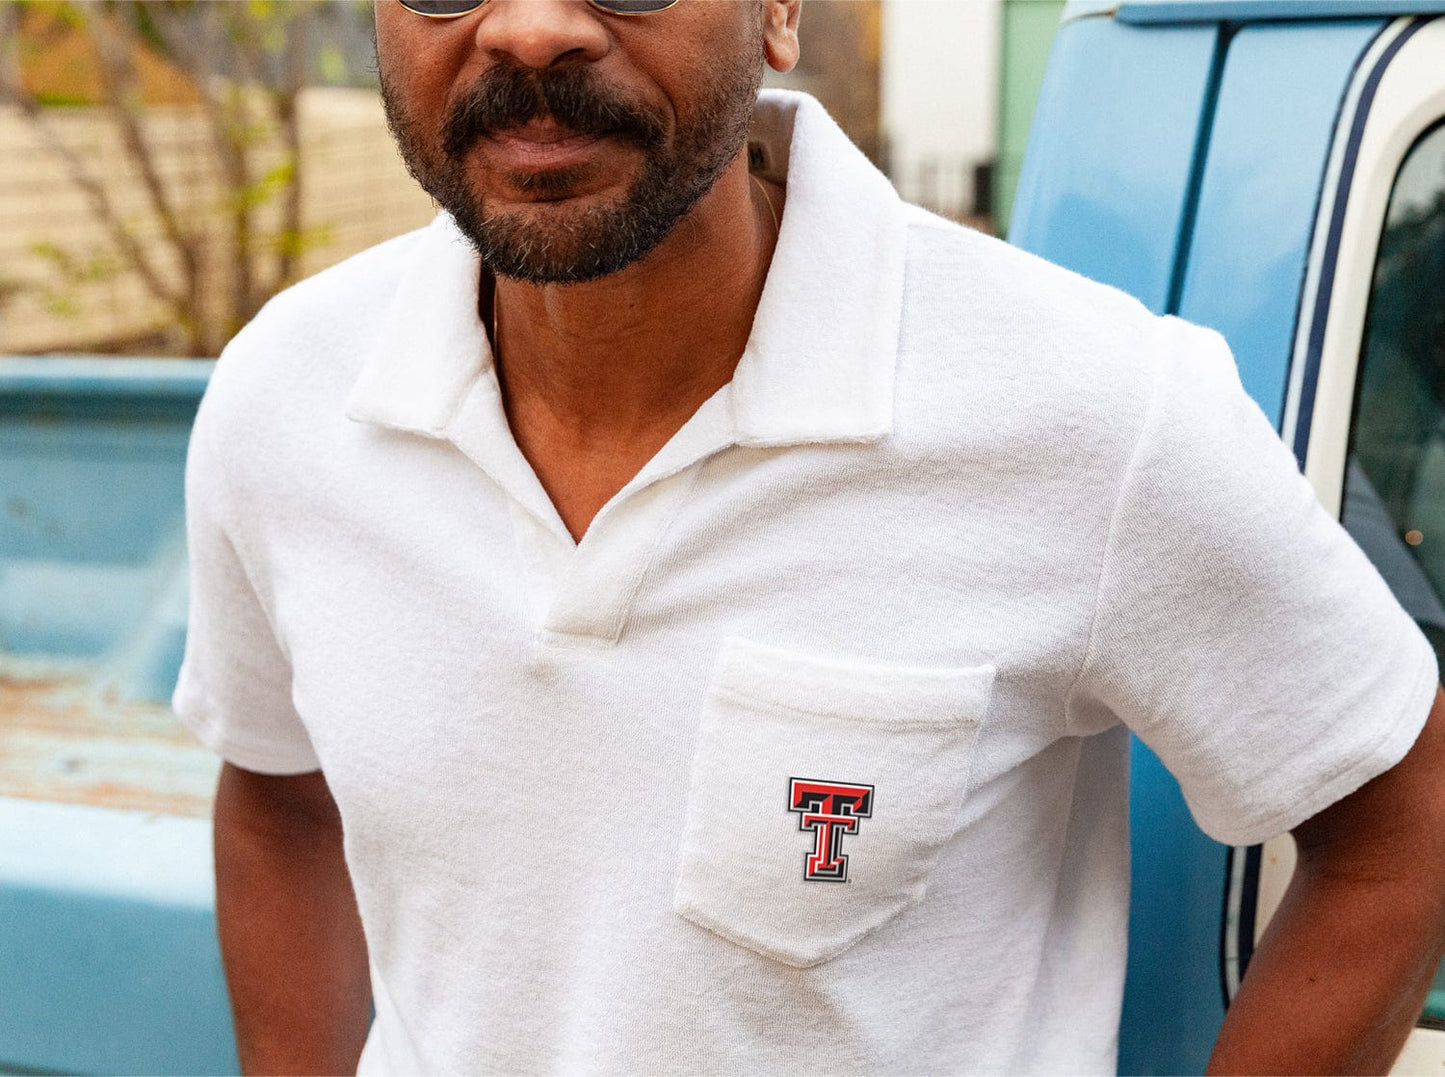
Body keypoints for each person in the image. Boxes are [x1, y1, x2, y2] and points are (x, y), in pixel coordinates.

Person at [172, 1, 1445, 1073]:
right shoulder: (287, 397)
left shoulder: (1093, 410)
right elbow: (281, 801)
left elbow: (1403, 815)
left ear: (779, 9)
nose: (534, 27)